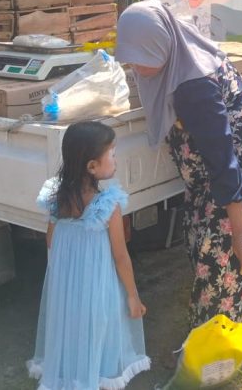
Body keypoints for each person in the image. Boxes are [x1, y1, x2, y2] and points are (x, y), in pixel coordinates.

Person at [114, 0, 242, 327]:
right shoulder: (183, 48)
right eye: (130, 57)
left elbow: (222, 157)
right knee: (215, 241)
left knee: (222, 248)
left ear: (161, 44)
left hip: (233, 169)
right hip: (226, 163)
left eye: (142, 56)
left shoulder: (192, 86)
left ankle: (219, 330)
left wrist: (240, 230)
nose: (136, 67)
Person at [27, 120, 150, 390]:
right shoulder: (108, 205)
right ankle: (95, 374)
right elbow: (120, 256)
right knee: (98, 326)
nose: (116, 160)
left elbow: (51, 240)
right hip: (97, 283)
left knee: (70, 327)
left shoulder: (57, 199)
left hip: (66, 284)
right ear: (92, 166)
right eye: (112, 154)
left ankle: (72, 374)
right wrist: (132, 295)